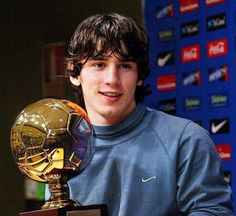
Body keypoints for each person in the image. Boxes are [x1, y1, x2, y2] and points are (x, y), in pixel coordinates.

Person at [66, 12, 234, 215]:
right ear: (74, 73)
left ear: (139, 76)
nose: (112, 79)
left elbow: (212, 211)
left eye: (125, 66)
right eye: (99, 64)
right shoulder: (60, 149)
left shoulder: (185, 139)